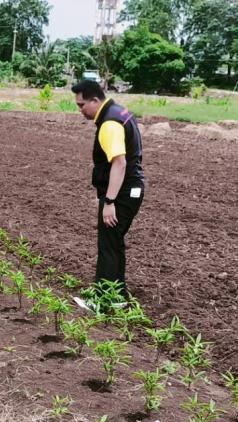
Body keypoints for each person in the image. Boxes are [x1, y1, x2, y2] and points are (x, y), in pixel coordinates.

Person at [71, 79, 145, 299]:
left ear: (95, 100)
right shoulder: (119, 111)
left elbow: (119, 162)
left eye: (82, 105)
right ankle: (117, 297)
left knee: (108, 245)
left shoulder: (109, 123)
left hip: (121, 192)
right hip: (131, 188)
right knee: (114, 243)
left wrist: (110, 202)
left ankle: (104, 300)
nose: (81, 111)